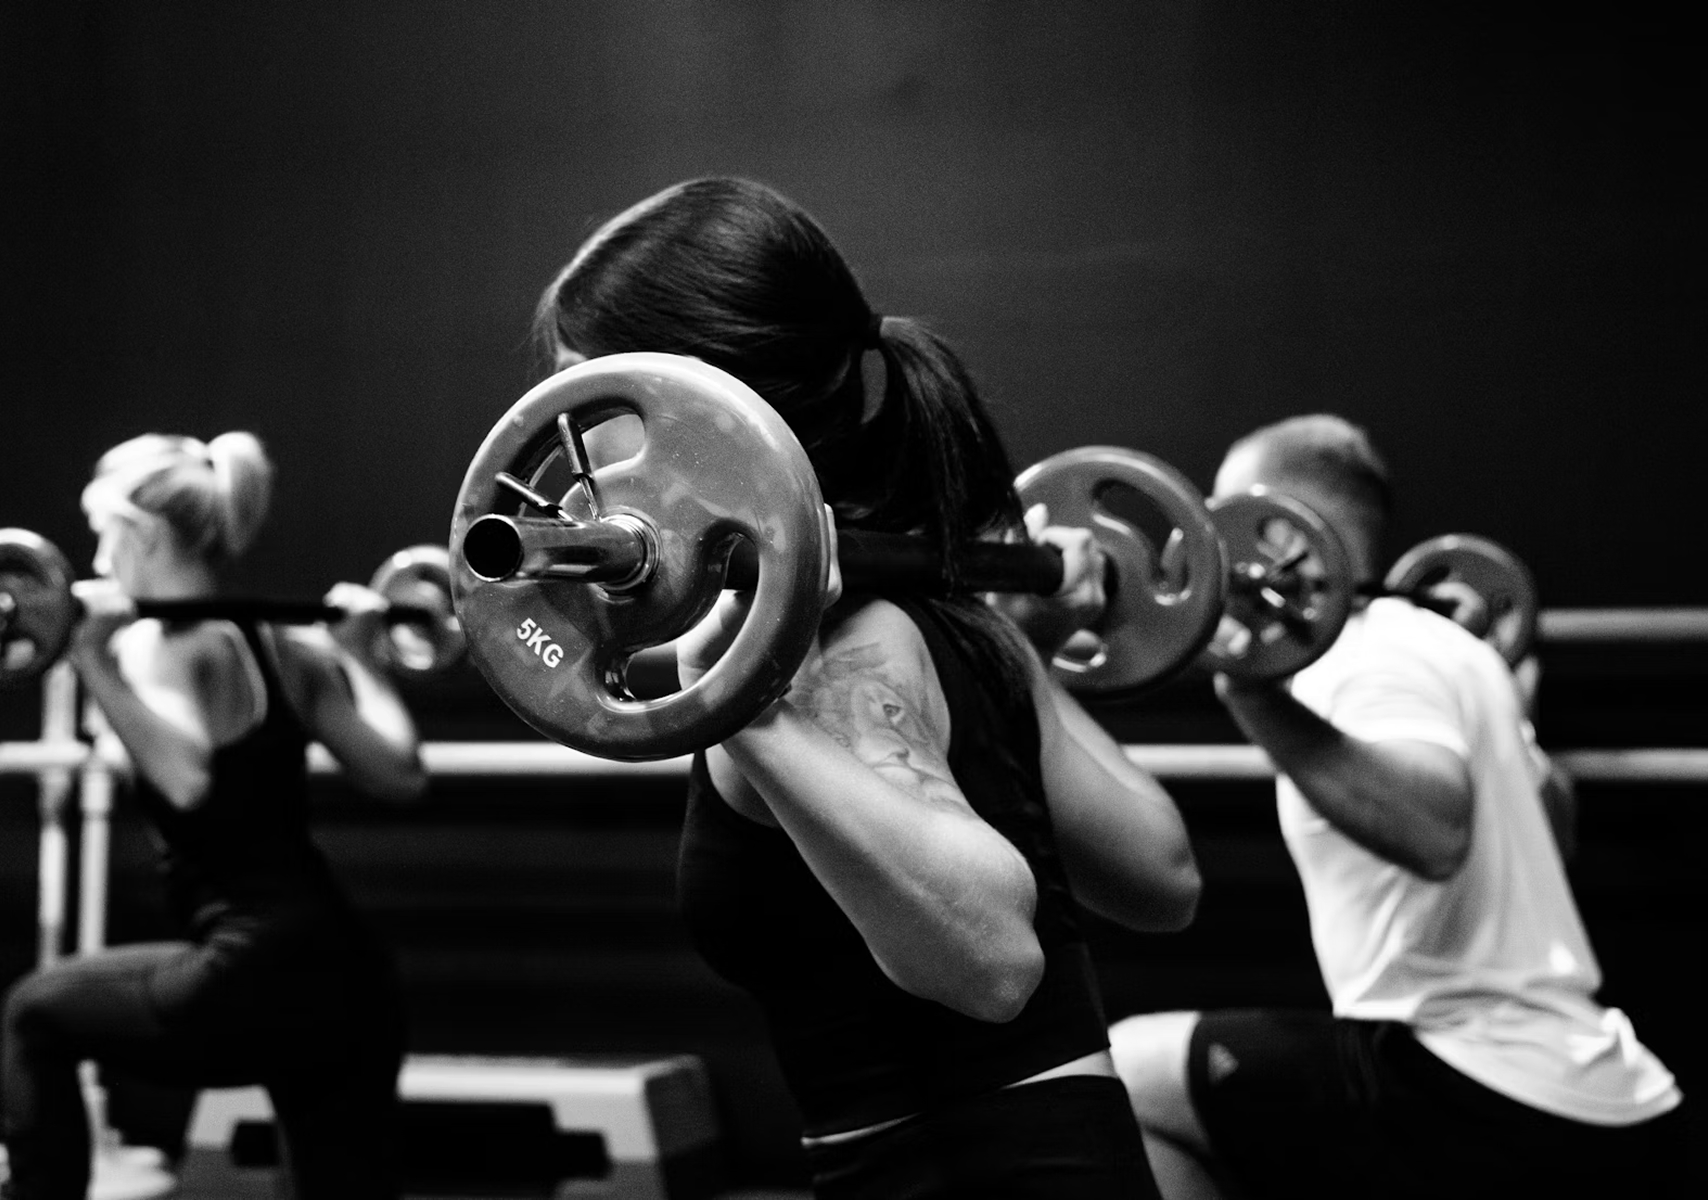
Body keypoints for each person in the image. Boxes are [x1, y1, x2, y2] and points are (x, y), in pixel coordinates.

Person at [535, 176, 1202, 1199]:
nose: (572, 464)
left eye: (595, 400)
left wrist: (740, 706)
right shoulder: (962, 619)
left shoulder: (829, 662)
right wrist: (1019, 665)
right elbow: (1158, 877)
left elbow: (993, 964)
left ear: (706, 400)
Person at [1109, 414, 1688, 1199]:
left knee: (1126, 1076)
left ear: (1276, 533)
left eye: (1226, 512)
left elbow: (1435, 831)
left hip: (1473, 1077)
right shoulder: (1451, 650)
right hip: (1593, 1085)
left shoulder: (1366, 656)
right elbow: (1557, 832)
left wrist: (1248, 689)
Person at [1, 432, 427, 1200]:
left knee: (34, 1013)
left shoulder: (155, 649)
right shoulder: (288, 643)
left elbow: (187, 778)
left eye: (104, 533)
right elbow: (398, 773)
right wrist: (360, 654)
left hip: (248, 970)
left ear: (146, 534)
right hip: (347, 979)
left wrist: (94, 660)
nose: (97, 559)